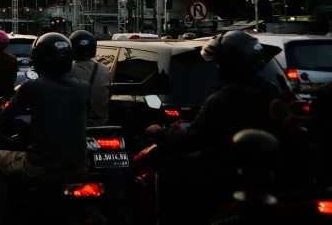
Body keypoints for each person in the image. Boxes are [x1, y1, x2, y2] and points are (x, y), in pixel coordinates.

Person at [145, 31, 310, 224]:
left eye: (219, 63)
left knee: (170, 171)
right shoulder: (270, 89)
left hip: (233, 175)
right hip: (275, 177)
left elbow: (192, 140)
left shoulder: (225, 99)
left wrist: (159, 131)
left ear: (228, 66)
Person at [0, 33, 89, 225]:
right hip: (77, 164)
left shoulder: (31, 87)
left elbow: (6, 118)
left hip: (40, 165)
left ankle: (6, 217)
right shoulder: (83, 87)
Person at [67, 30, 110, 126]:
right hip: (101, 122)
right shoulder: (105, 69)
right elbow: (108, 95)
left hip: (75, 124)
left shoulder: (67, 70)